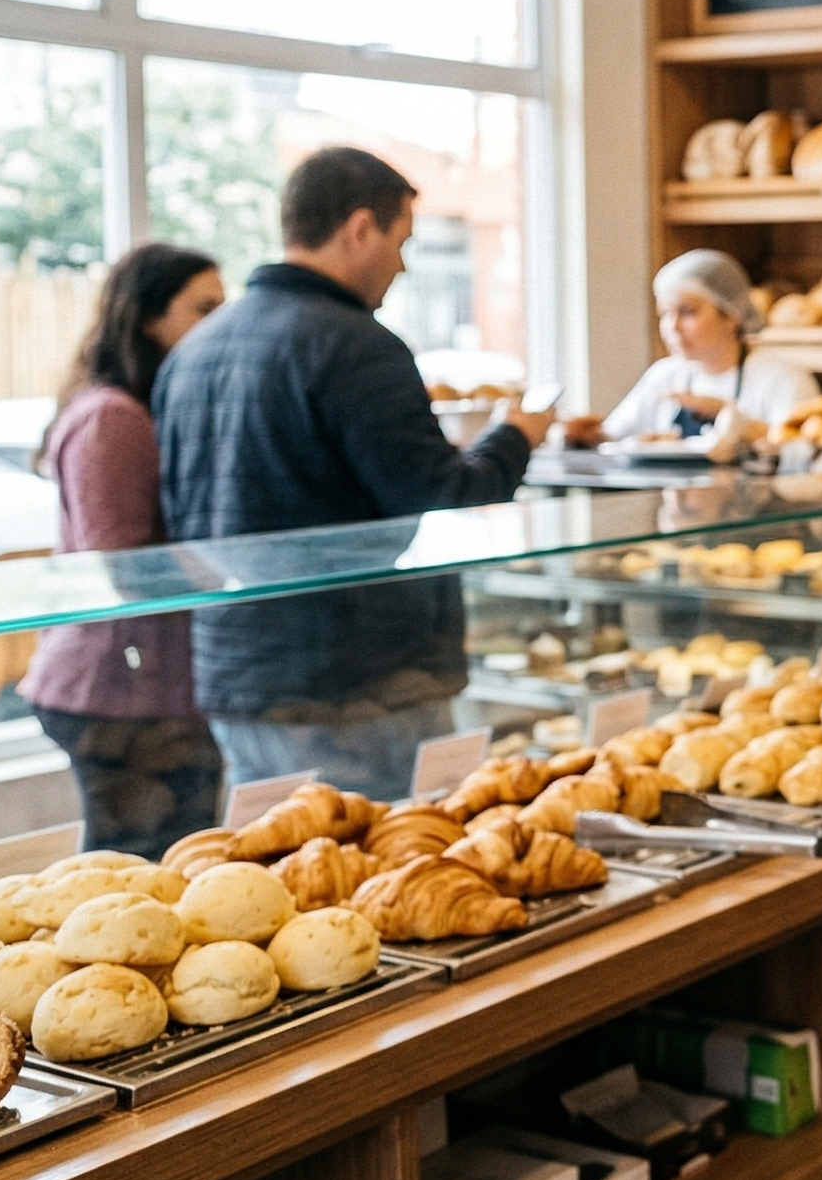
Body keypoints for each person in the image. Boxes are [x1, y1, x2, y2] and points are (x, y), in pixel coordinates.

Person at [155, 147, 552, 798]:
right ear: (360, 228)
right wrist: (518, 434)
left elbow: (186, 514)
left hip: (236, 673)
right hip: (358, 685)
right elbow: (446, 494)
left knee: (282, 875)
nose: (402, 265)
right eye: (402, 242)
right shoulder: (359, 346)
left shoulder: (194, 349)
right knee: (390, 872)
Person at [20, 245, 228, 855]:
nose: (220, 323)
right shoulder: (113, 417)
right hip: (119, 687)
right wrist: (225, 564)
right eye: (203, 308)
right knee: (141, 869)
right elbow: (123, 563)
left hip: (141, 683)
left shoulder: (134, 408)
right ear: (146, 318)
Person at [557, 249, 816, 447]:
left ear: (732, 314)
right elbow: (613, 436)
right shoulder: (665, 376)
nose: (673, 326)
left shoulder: (782, 380)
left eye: (687, 312)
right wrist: (586, 433)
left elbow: (800, 455)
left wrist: (732, 418)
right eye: (665, 314)